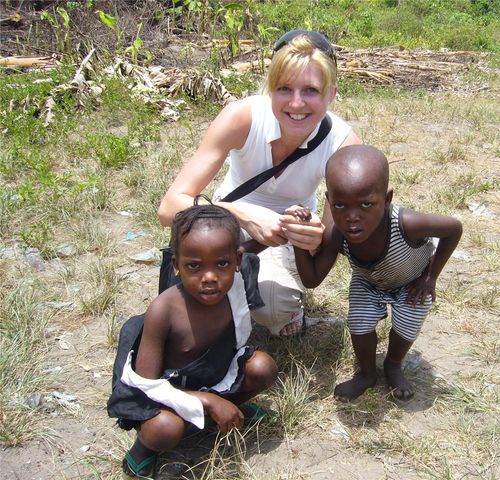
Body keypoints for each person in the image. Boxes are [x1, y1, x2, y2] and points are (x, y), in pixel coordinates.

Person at [158, 30, 361, 337]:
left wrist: (315, 237)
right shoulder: (242, 118)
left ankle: (277, 301)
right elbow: (169, 207)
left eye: (310, 90)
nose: (296, 103)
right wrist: (242, 214)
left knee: (274, 308)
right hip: (227, 215)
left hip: (286, 234)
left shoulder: (343, 146)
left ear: (331, 94)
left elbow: (339, 238)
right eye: (284, 88)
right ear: (270, 89)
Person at [107, 204, 278, 478]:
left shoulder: (236, 284)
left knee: (263, 367)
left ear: (236, 261)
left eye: (222, 264)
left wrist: (286, 227)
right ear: (177, 265)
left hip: (212, 377)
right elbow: (145, 386)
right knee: (164, 429)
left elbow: (252, 246)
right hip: (165, 394)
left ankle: (218, 416)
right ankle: (142, 450)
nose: (209, 277)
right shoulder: (164, 310)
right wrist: (208, 401)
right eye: (194, 266)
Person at [289, 145, 463, 401]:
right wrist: (298, 238)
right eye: (340, 205)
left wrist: (430, 277)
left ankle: (393, 365)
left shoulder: (407, 224)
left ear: (387, 198)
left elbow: (454, 229)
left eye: (366, 204)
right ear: (328, 200)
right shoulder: (337, 234)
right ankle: (367, 373)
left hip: (412, 282)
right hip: (368, 282)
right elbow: (312, 279)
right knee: (359, 325)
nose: (352, 217)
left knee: (406, 326)